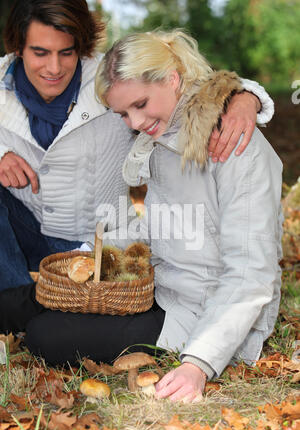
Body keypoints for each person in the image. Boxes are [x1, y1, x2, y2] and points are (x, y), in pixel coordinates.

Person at [0, 0, 274, 293]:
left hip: (101, 245)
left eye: (66, 52)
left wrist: (245, 97)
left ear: (80, 46)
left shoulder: (112, 81)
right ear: (18, 48)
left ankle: (37, 306)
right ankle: (16, 302)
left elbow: (194, 85)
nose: (54, 68)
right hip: (22, 237)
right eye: (40, 53)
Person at [93, 29, 283, 403]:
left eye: (141, 104)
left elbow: (251, 273)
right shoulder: (164, 137)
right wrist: (94, 250)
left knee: (50, 335)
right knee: (28, 304)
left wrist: (197, 363)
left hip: (208, 317)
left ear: (172, 78)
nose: (133, 122)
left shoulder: (233, 142)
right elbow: (167, 222)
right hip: (167, 295)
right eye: (123, 113)